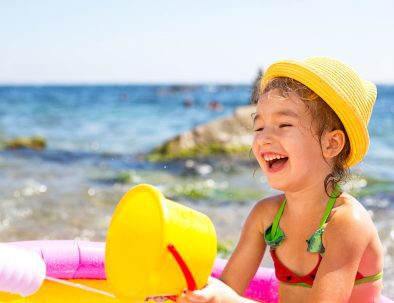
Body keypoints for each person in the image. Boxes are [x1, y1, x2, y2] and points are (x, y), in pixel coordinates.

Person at [177, 57, 384, 303]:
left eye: (284, 124)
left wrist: (228, 300)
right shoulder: (266, 216)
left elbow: (228, 299)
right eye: (259, 127)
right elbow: (227, 289)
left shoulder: (347, 223)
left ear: (331, 143)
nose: (264, 138)